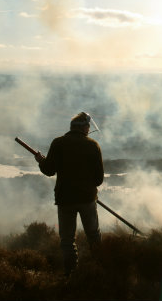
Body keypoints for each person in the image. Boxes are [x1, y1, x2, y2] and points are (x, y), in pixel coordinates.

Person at [35, 112, 104, 276]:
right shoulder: (93, 145)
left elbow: (49, 170)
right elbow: (98, 179)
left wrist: (41, 161)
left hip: (65, 199)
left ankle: (70, 275)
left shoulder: (58, 143)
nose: (89, 129)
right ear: (84, 127)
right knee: (94, 236)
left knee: (67, 240)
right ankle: (100, 269)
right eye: (88, 126)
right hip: (87, 199)